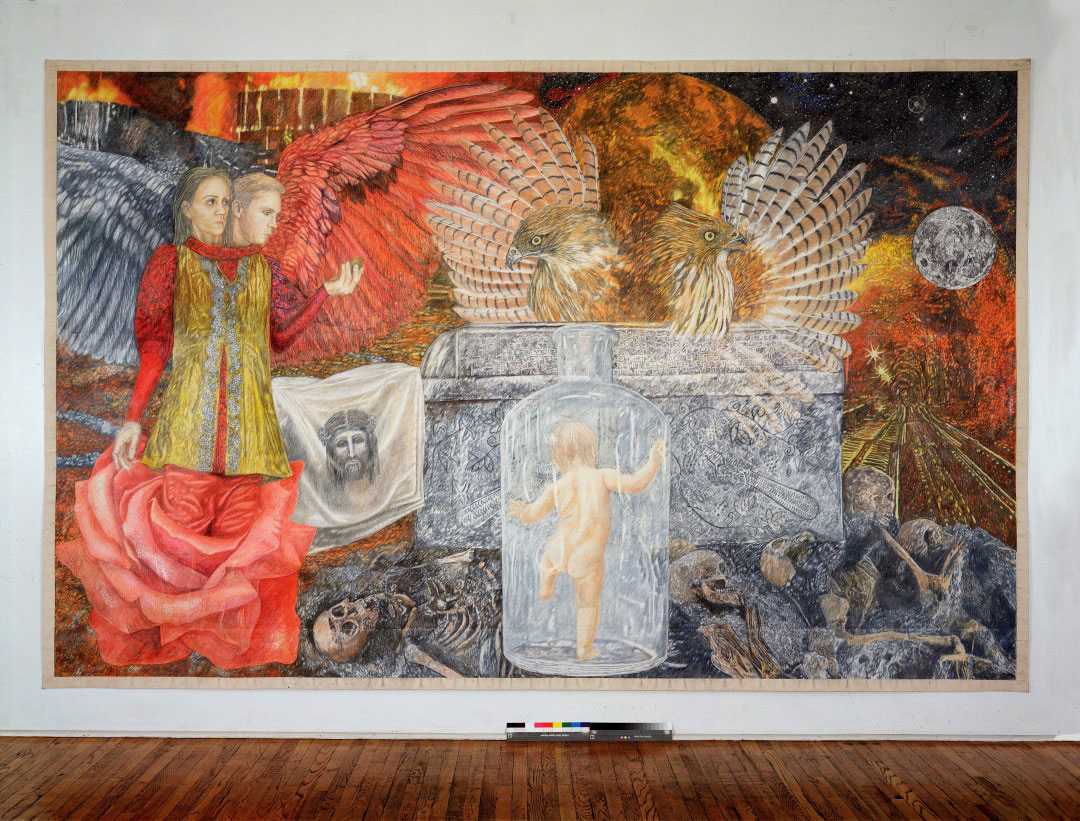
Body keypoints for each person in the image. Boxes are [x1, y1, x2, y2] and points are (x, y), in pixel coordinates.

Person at [57, 166, 362, 670]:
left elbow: (282, 335)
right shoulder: (171, 264)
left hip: (251, 441)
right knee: (182, 552)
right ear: (187, 209)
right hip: (187, 434)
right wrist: (133, 418)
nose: (220, 212)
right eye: (210, 202)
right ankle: (177, 655)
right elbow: (154, 347)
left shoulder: (263, 269)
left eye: (224, 202)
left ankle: (222, 660)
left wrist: (325, 294)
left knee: (236, 554)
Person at [507, 421, 664, 661]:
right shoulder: (603, 476)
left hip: (559, 547)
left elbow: (533, 514)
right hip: (587, 555)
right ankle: (584, 649)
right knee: (588, 604)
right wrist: (654, 461)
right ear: (591, 450)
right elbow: (636, 484)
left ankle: (546, 582)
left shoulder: (558, 486)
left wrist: (521, 511)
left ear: (559, 458)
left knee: (547, 560)